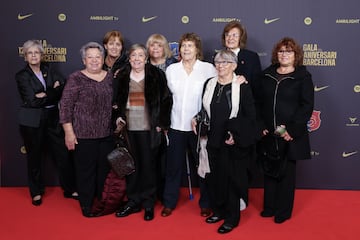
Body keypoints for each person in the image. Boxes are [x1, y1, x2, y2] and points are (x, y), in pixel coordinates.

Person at [191, 50, 256, 234]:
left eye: (226, 62)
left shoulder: (242, 86)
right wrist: (197, 118)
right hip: (211, 139)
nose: (221, 65)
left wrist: (236, 134)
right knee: (214, 179)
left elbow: (250, 116)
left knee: (231, 180)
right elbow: (205, 109)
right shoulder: (209, 84)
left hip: (231, 141)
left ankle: (232, 218)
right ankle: (218, 211)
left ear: (234, 66)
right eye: (218, 62)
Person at [256, 37, 314, 224]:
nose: (284, 55)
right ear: (276, 54)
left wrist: (292, 130)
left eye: (288, 51)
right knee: (269, 170)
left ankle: (283, 210)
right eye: (281, 51)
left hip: (289, 135)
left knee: (287, 173)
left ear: (295, 55)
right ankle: (269, 207)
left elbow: (306, 106)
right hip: (268, 133)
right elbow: (257, 103)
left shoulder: (303, 77)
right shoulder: (266, 75)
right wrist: (262, 125)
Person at [113, 44, 172, 221]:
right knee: (129, 167)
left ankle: (148, 203)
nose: (137, 59)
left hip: (149, 128)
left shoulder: (156, 74)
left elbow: (166, 100)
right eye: (133, 56)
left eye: (140, 55)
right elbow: (115, 102)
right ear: (129, 59)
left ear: (145, 58)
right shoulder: (122, 76)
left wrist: (162, 123)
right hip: (128, 130)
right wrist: (117, 117)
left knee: (148, 167)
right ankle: (133, 201)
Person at [15, 40, 77, 206]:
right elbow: (31, 101)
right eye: (30, 53)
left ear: (41, 55)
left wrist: (46, 94)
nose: (34, 55)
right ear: (25, 56)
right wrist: (53, 91)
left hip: (52, 118)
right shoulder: (22, 76)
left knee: (63, 154)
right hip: (32, 121)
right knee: (34, 157)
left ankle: (69, 188)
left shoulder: (48, 69)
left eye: (36, 52)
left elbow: (62, 88)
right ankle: (36, 192)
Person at [161, 32, 216, 218]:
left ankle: (206, 204)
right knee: (173, 168)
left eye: (190, 46)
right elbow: (166, 99)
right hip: (176, 126)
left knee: (202, 167)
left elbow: (216, 91)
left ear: (197, 49)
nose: (186, 49)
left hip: (198, 128)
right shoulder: (171, 70)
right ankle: (169, 203)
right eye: (183, 46)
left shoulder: (208, 69)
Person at [59, 42, 114, 217]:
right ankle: (86, 204)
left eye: (98, 57)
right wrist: (69, 132)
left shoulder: (110, 77)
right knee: (85, 172)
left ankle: (101, 200)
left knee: (104, 171)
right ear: (84, 60)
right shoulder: (76, 78)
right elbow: (65, 107)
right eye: (90, 57)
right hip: (83, 134)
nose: (94, 60)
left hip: (106, 134)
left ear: (103, 59)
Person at [220, 20, 262, 209]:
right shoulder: (217, 57)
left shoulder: (251, 57)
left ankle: (241, 198)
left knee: (241, 161)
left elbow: (258, 88)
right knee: (224, 162)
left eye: (234, 35)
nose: (231, 38)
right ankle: (225, 196)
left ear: (241, 38)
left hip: (243, 119)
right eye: (228, 34)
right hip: (222, 119)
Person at [146, 33, 178, 202]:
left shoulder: (173, 65)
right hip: (147, 118)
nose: (156, 49)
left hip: (170, 116)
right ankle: (151, 191)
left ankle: (165, 193)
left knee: (166, 158)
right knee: (150, 157)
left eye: (159, 45)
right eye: (152, 45)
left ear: (164, 48)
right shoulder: (142, 65)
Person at [102, 30, 128, 108]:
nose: (114, 47)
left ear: (122, 47)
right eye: (111, 44)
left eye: (118, 44)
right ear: (105, 46)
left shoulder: (127, 65)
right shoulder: (98, 64)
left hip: (121, 110)